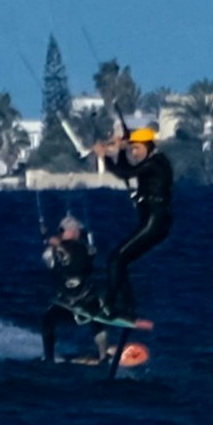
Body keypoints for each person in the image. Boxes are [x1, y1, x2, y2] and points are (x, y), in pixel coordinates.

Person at [92, 124, 174, 320]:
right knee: (121, 261)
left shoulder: (156, 163)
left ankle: (109, 305)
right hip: (152, 220)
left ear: (148, 146)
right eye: (132, 149)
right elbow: (127, 169)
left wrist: (104, 156)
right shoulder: (150, 162)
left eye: (137, 149)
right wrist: (120, 150)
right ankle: (127, 309)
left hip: (156, 221)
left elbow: (124, 174)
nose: (135, 153)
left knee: (115, 258)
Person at [39, 212, 105, 361]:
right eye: (77, 230)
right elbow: (51, 261)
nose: (79, 232)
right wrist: (53, 246)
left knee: (97, 317)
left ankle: (103, 355)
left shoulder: (85, 248)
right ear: (69, 231)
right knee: (48, 319)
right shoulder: (56, 250)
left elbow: (79, 259)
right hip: (68, 303)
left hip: (84, 301)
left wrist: (57, 245)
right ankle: (49, 357)